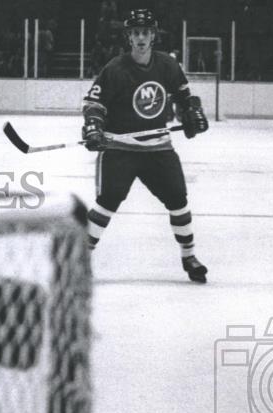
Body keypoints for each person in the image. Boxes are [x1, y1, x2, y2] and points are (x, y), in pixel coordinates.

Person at [81, 8, 210, 283]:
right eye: (136, 33)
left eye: (146, 32)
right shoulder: (115, 68)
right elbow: (94, 104)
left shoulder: (168, 66)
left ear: (153, 36)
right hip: (120, 147)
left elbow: (185, 96)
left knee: (178, 200)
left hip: (158, 149)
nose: (141, 37)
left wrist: (191, 114)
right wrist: (94, 126)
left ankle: (189, 256)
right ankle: (79, 260)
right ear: (129, 37)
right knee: (108, 201)